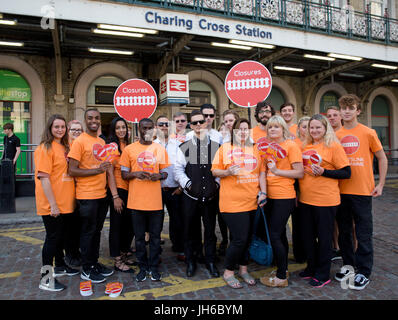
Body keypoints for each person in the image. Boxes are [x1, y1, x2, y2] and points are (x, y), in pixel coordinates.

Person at [334, 94, 388, 290]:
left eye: (351, 108)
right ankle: (349, 266)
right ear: (340, 111)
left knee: (364, 233)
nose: (346, 111)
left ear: (358, 111)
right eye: (344, 108)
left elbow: (382, 158)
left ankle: (364, 271)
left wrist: (380, 184)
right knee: (345, 233)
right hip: (340, 191)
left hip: (363, 191)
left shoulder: (368, 133)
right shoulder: (336, 135)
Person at [68, 108, 122, 283]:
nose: (94, 121)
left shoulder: (101, 141)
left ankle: (94, 263)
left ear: (99, 121)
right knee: (88, 232)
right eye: (90, 118)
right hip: (86, 195)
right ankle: (87, 268)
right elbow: (72, 170)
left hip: (102, 195)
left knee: (96, 231)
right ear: (85, 120)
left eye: (97, 118)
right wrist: (95, 170)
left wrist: (113, 195)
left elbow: (108, 170)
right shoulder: (79, 141)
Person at [212, 119, 267, 289]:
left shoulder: (255, 149)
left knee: (248, 238)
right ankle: (228, 271)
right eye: (239, 129)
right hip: (232, 202)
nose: (242, 132)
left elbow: (261, 174)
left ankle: (243, 269)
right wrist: (227, 171)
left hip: (252, 201)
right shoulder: (224, 148)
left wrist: (263, 193)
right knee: (239, 239)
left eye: (245, 129)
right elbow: (214, 171)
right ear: (233, 131)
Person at [298, 114, 351, 288]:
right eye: (311, 127)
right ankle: (311, 267)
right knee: (308, 237)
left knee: (324, 238)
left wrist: (324, 172)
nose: (314, 130)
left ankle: (323, 273)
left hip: (326, 200)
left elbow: (346, 173)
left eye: (318, 127)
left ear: (325, 128)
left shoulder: (334, 146)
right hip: (306, 199)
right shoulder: (306, 145)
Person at [120, 118, 170, 282]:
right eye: (144, 128)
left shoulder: (159, 148)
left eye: (150, 128)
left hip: (155, 202)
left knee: (155, 237)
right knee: (139, 238)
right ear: (138, 129)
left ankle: (154, 267)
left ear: (153, 130)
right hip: (136, 202)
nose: (147, 131)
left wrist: (159, 176)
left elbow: (166, 173)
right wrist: (135, 174)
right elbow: (123, 174)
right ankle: (142, 267)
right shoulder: (129, 149)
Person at [34, 114, 79, 292]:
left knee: (61, 237)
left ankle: (60, 266)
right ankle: (45, 279)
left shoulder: (64, 146)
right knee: (52, 239)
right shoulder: (45, 148)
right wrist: (53, 204)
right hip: (52, 203)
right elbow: (44, 178)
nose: (60, 130)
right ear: (50, 128)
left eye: (62, 127)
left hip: (65, 202)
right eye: (56, 127)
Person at [175, 110, 221, 278]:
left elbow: (221, 168)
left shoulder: (216, 146)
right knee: (190, 231)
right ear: (191, 126)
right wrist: (187, 184)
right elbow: (178, 169)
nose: (198, 125)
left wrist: (216, 184)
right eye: (194, 123)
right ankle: (191, 261)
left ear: (206, 123)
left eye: (200, 121)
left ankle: (210, 261)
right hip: (190, 197)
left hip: (210, 197)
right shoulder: (185, 146)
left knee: (210, 231)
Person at [259, 115, 304, 288]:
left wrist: (277, 171)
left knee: (275, 234)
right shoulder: (267, 147)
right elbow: (262, 171)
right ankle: (282, 269)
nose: (273, 130)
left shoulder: (291, 145)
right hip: (269, 196)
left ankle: (280, 277)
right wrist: (263, 192)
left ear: (283, 128)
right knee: (279, 235)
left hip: (284, 196)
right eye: (270, 127)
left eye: (276, 127)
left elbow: (299, 172)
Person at [154, 115, 185, 262]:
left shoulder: (179, 144)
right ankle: (156, 251)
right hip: (156, 190)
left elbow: (183, 166)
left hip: (174, 189)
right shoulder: (151, 145)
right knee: (156, 222)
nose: (164, 126)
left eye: (167, 124)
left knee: (177, 221)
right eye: (161, 124)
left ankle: (178, 247)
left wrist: (181, 186)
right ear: (156, 127)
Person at [106, 117, 135, 273]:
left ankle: (124, 254)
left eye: (123, 127)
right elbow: (109, 173)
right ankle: (117, 259)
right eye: (118, 128)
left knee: (128, 225)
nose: (121, 130)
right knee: (117, 226)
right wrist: (115, 196)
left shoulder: (129, 146)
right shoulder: (111, 147)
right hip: (117, 190)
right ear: (113, 130)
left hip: (131, 190)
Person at [63, 120, 84, 268]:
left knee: (78, 225)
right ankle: (69, 255)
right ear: (68, 131)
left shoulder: (81, 146)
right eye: (73, 129)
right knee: (68, 227)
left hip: (82, 192)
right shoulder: (63, 148)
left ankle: (77, 251)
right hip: (66, 193)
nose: (76, 132)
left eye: (79, 130)